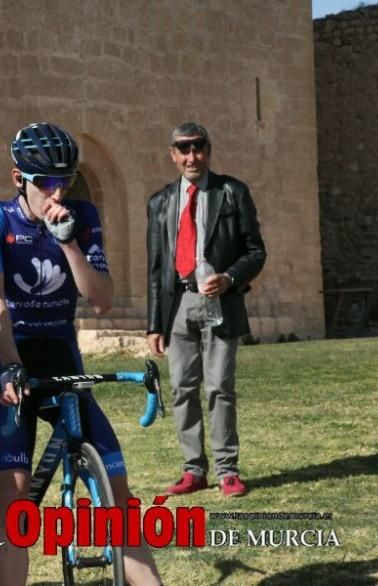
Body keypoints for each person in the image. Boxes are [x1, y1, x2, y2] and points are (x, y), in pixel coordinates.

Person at [0, 122, 162, 586]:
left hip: (60, 352)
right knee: (14, 499)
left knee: (118, 493)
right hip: (10, 348)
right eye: (44, 182)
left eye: (65, 180)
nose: (56, 191)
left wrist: (69, 242)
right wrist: (10, 364)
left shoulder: (81, 213)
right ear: (19, 178)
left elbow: (101, 300)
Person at [146, 122, 267, 498]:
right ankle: (193, 470)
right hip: (177, 303)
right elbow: (154, 266)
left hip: (220, 301)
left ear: (209, 151)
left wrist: (230, 278)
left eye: (198, 148)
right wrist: (154, 324)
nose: (191, 156)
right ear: (173, 155)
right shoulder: (160, 202)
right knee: (182, 388)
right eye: (183, 149)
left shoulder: (232, 192)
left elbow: (255, 251)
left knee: (219, 387)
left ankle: (227, 471)